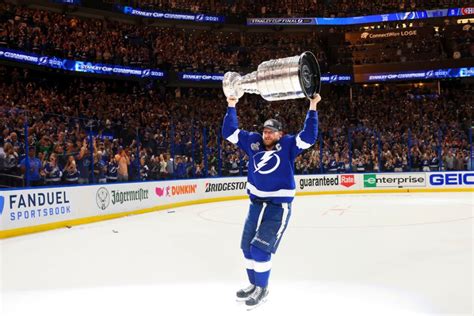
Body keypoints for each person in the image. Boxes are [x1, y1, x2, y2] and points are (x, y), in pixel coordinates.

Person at [222, 93, 321, 309]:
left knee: (260, 250)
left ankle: (263, 289)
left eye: (271, 132)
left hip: (278, 206)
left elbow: (309, 136)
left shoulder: (287, 145)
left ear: (280, 134)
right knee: (247, 248)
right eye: (265, 131)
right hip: (256, 203)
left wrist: (313, 106)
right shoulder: (253, 141)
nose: (266, 135)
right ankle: (253, 285)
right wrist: (231, 104)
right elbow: (229, 132)